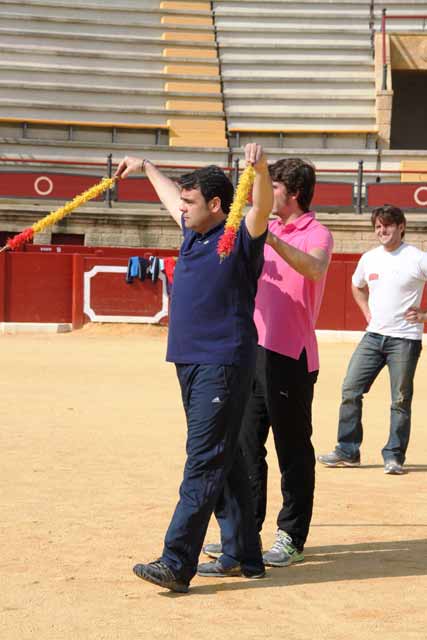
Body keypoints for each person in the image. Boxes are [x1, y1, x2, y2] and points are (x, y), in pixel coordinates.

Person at [114, 144, 273, 592]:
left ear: (217, 206)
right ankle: (245, 554)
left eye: (190, 202)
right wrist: (146, 165)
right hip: (190, 361)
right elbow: (169, 196)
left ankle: (176, 560)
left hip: (222, 359)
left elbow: (261, 205)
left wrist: (259, 169)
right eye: (182, 203)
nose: (181, 209)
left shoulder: (240, 238)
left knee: (203, 460)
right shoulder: (192, 232)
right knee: (224, 457)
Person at [202, 157, 333, 569]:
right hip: (251, 350)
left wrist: (274, 242)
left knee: (292, 449)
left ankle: (291, 535)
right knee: (244, 447)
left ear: (292, 192)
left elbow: (314, 269)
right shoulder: (265, 224)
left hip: (291, 354)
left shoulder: (318, 233)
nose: (268, 193)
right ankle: (245, 533)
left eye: (273, 186)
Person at [318, 204, 427, 475]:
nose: (382, 231)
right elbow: (357, 285)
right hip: (374, 336)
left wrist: (424, 315)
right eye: (378, 226)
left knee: (399, 400)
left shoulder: (417, 258)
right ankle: (347, 450)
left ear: (401, 227)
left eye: (387, 225)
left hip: (405, 339)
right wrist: (366, 312)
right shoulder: (370, 258)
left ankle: (394, 456)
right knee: (350, 389)